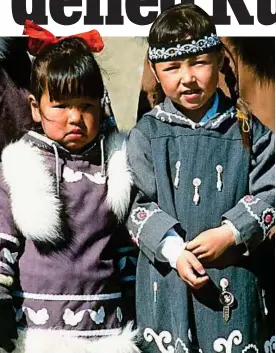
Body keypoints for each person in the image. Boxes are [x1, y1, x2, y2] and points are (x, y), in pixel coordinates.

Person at [126, 4, 275, 353]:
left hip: (237, 281)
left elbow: (271, 189)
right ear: (155, 70)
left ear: (220, 60)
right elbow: (134, 203)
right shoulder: (146, 134)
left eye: (199, 63)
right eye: (173, 67)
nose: (187, 77)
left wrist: (231, 232)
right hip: (167, 285)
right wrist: (174, 250)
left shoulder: (248, 130)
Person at [0, 21, 139, 353]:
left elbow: (125, 248)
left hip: (106, 328)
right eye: (60, 106)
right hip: (37, 331)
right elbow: (3, 239)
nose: (75, 117)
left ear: (100, 105)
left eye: (86, 106)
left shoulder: (116, 167)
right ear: (36, 107)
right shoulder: (21, 168)